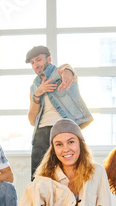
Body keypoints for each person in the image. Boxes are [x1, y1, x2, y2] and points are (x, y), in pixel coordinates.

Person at [26, 45, 93, 179]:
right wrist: (37, 94)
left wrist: (68, 71)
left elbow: (68, 69)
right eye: (32, 63)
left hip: (64, 130)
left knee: (68, 176)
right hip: (41, 133)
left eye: (38, 60)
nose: (35, 65)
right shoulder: (34, 87)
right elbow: (32, 121)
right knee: (38, 179)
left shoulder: (62, 73)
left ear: (49, 59)